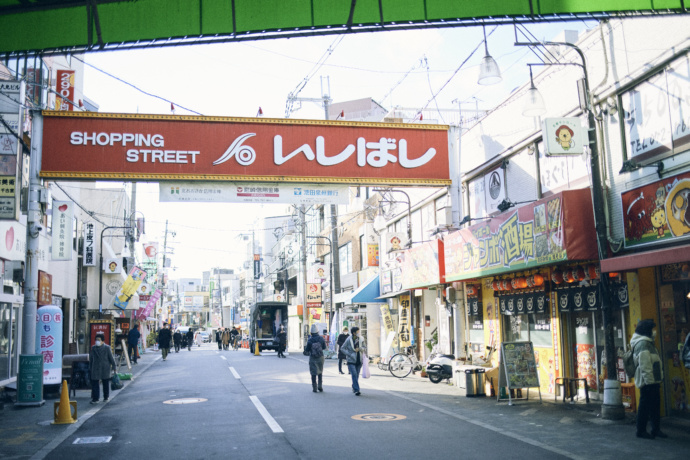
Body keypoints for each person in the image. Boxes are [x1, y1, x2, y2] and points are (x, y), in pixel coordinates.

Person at [631, 319, 667, 439]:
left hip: (653, 380)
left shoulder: (648, 342)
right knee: (645, 407)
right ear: (647, 331)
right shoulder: (643, 344)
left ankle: (655, 429)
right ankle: (641, 430)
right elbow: (645, 365)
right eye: (652, 329)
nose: (654, 331)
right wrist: (650, 382)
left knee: (655, 406)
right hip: (648, 382)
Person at [89, 332, 117, 404]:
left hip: (105, 368)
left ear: (102, 341)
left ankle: (106, 397)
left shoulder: (107, 348)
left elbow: (111, 358)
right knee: (95, 383)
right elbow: (91, 358)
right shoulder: (93, 348)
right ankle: (95, 398)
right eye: (96, 340)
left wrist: (114, 367)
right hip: (95, 368)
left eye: (99, 340)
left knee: (105, 383)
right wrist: (90, 367)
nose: (97, 341)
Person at [341, 326, 366, 396]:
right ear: (354, 333)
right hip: (351, 360)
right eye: (358, 332)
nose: (359, 333)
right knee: (354, 374)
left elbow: (364, 347)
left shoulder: (361, 338)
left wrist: (360, 349)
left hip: (359, 359)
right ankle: (357, 389)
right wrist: (349, 354)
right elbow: (342, 348)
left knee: (357, 375)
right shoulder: (349, 339)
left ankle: (354, 386)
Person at [305, 324, 326, 392]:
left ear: (311, 333)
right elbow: (324, 347)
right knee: (320, 371)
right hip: (320, 357)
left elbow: (307, 350)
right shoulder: (321, 338)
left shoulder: (310, 340)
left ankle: (314, 387)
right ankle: (320, 386)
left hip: (313, 357)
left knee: (313, 373)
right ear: (318, 331)